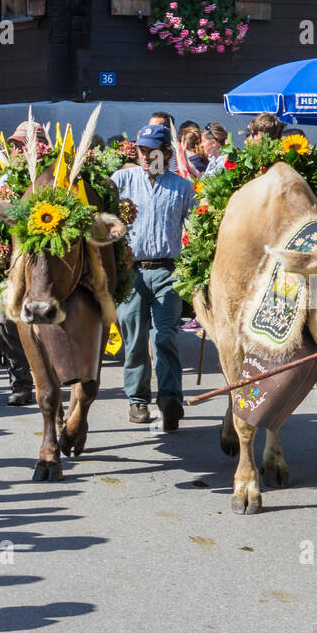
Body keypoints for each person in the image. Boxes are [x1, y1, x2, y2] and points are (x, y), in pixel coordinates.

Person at [114, 123, 194, 430]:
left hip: (167, 271)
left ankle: (170, 398)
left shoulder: (182, 187)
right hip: (130, 273)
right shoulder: (121, 181)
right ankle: (138, 399)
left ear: (168, 154)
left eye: (154, 151)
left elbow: (196, 229)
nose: (147, 157)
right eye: (142, 151)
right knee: (133, 337)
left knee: (164, 336)